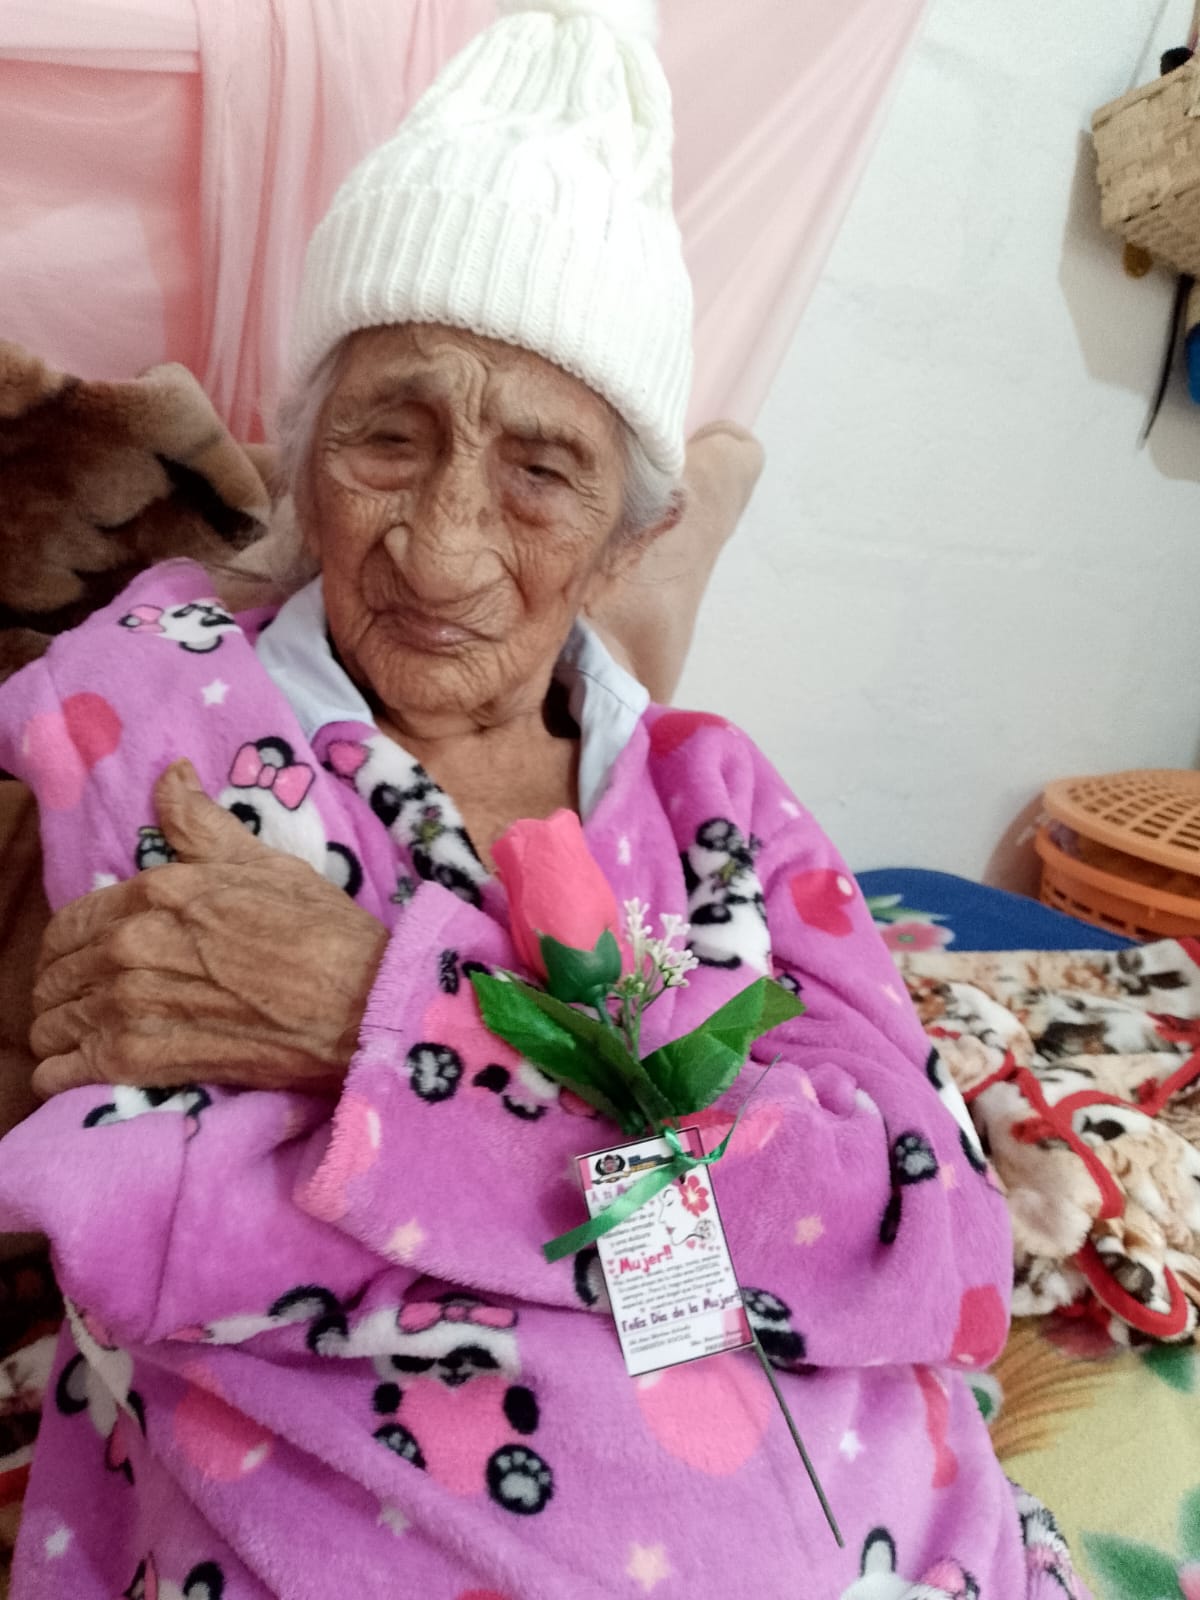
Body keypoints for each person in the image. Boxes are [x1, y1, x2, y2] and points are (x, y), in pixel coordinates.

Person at [0, 3, 1088, 1595]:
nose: (444, 548)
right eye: (388, 436)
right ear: (301, 452)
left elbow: (931, 1247)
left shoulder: (713, 793)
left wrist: (378, 1017)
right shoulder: (161, 703)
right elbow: (159, 1235)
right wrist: (694, 1178)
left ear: (629, 535)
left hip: (911, 1545)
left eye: (541, 471)